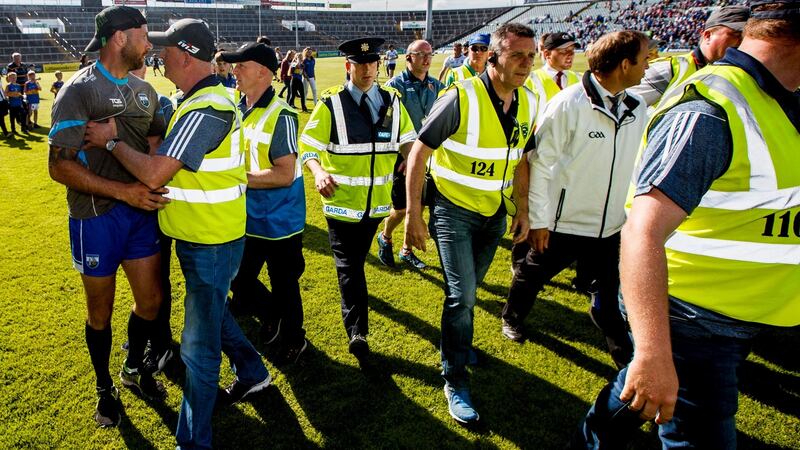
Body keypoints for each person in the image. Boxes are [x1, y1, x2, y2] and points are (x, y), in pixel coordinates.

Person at [574, 1, 800, 447]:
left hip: (758, 305)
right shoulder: (709, 110)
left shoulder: (778, 98)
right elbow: (643, 229)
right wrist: (655, 350)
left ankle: (595, 435)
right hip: (691, 313)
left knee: (638, 390)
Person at [83, 18, 271, 448]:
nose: (156, 53)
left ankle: (193, 442)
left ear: (184, 56)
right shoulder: (201, 99)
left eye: (164, 48)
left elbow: (154, 173)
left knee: (198, 352)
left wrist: (111, 141)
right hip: (206, 237)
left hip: (210, 242)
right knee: (214, 312)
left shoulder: (207, 107)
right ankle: (253, 372)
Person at [405, 22, 538, 424]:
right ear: (493, 56)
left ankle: (457, 347)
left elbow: (520, 162)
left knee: (468, 294)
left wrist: (524, 209)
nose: (526, 64)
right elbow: (417, 155)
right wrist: (414, 215)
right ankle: (454, 378)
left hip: (494, 216)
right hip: (453, 212)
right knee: (461, 297)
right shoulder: (460, 96)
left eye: (531, 56)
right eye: (517, 55)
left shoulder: (529, 101)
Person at [47, 5, 168, 428]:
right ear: (121, 37)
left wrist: (150, 166)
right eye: (145, 33)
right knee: (100, 313)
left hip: (140, 215)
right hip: (95, 217)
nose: (149, 42)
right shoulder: (79, 91)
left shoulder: (146, 92)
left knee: (150, 303)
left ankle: (133, 370)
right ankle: (105, 389)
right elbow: (58, 165)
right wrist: (126, 192)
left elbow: (154, 138)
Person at [501, 31, 650, 372]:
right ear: (623, 64)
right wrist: (539, 220)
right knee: (531, 276)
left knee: (610, 295)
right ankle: (512, 316)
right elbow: (539, 164)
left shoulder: (637, 106)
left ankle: (625, 358)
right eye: (643, 59)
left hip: (611, 224)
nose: (648, 65)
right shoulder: (568, 104)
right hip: (563, 221)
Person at [299, 36, 417, 364]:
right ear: (348, 67)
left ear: (379, 65)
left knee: (356, 266)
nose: (367, 70)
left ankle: (357, 310)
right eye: (360, 64)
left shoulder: (392, 102)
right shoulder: (331, 103)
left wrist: (412, 160)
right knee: (349, 267)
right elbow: (307, 145)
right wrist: (319, 171)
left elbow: (409, 141)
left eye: (372, 63)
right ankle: (358, 333)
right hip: (340, 205)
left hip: (377, 207)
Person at [221, 42, 309, 364]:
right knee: (238, 280)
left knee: (285, 284)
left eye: (240, 66)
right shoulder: (237, 106)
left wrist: (237, 179)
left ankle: (294, 339)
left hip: (279, 221)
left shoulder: (282, 114)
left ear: (262, 72)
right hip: (247, 216)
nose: (235, 72)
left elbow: (285, 174)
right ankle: (274, 314)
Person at [377, 39, 444, 270]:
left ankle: (406, 250)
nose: (427, 59)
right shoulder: (395, 85)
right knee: (403, 207)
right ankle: (385, 236)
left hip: (428, 155)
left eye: (430, 54)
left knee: (420, 204)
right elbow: (387, 124)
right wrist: (405, 155)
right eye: (421, 54)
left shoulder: (437, 85)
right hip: (403, 157)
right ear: (408, 58)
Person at [629, 5, 750, 109]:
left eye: (749, 36)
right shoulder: (669, 70)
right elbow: (619, 111)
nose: (744, 41)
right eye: (737, 34)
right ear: (708, 36)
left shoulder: (744, 77)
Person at [527, 32, 580, 123]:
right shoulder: (530, 80)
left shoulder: (580, 79)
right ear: (547, 54)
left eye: (572, 50)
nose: (570, 54)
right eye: (564, 51)